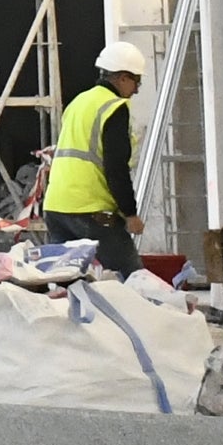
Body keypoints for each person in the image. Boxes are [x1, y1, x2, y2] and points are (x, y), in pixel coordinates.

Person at [34, 31, 149, 275]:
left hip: (56, 207)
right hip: (91, 212)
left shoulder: (78, 102)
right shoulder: (114, 107)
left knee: (65, 282)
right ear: (122, 78)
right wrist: (130, 214)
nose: (137, 89)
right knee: (134, 279)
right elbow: (116, 167)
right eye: (136, 81)